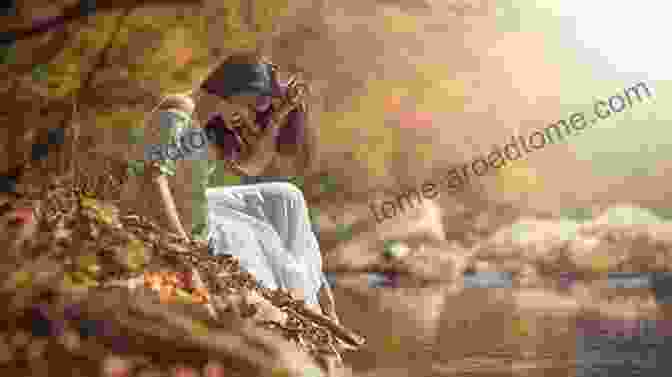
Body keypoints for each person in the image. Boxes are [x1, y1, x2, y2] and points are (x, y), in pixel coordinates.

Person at [140, 51, 339, 325]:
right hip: (169, 220)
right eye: (251, 105)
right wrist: (183, 247)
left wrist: (279, 115)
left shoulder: (213, 125)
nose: (248, 117)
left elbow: (252, 166)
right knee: (262, 239)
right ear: (237, 90)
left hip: (196, 216)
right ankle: (315, 311)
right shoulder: (178, 109)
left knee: (286, 197)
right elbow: (152, 179)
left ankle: (323, 306)